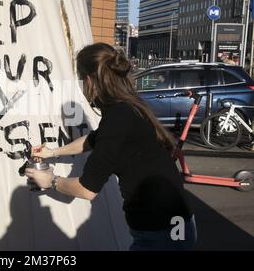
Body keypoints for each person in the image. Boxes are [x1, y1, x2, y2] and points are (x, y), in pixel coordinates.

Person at [26, 43, 196, 251]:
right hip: (173, 223)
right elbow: (93, 140)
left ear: (89, 80)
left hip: (162, 231)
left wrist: (51, 180)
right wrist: (53, 152)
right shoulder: (128, 106)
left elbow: (87, 189)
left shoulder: (117, 117)